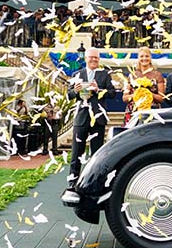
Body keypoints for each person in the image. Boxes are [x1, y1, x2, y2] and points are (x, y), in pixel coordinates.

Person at [67, 48, 116, 187]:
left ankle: (94, 182)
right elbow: (68, 95)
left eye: (96, 58)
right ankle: (72, 182)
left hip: (98, 117)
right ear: (86, 58)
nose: (94, 60)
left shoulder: (104, 74)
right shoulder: (77, 74)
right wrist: (75, 91)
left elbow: (112, 93)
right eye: (91, 57)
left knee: (96, 153)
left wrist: (98, 90)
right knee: (77, 152)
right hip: (81, 118)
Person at [122, 46, 165, 124]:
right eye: (141, 56)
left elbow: (161, 98)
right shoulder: (132, 75)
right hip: (133, 112)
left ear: (150, 58)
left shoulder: (157, 75)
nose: (144, 58)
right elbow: (124, 98)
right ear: (138, 58)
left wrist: (148, 94)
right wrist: (138, 94)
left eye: (147, 56)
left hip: (151, 112)